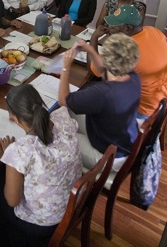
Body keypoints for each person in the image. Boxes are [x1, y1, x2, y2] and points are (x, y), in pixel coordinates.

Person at [0, 84, 82, 246]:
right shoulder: (63, 118)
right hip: (70, 201)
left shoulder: (20, 151)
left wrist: (10, 155)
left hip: (41, 224)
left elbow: (12, 201)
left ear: (13, 117)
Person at [58, 34, 141, 172]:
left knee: (57, 138)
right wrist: (89, 49)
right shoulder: (133, 76)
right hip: (124, 141)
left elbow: (63, 100)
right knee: (70, 116)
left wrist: (65, 67)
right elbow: (103, 69)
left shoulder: (103, 93)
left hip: (110, 156)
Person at [90, 5, 167, 123]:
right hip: (166, 95)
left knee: (93, 95)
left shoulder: (124, 51)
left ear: (128, 28)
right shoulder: (153, 31)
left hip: (143, 109)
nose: (109, 28)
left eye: (113, 26)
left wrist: (94, 37)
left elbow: (94, 70)